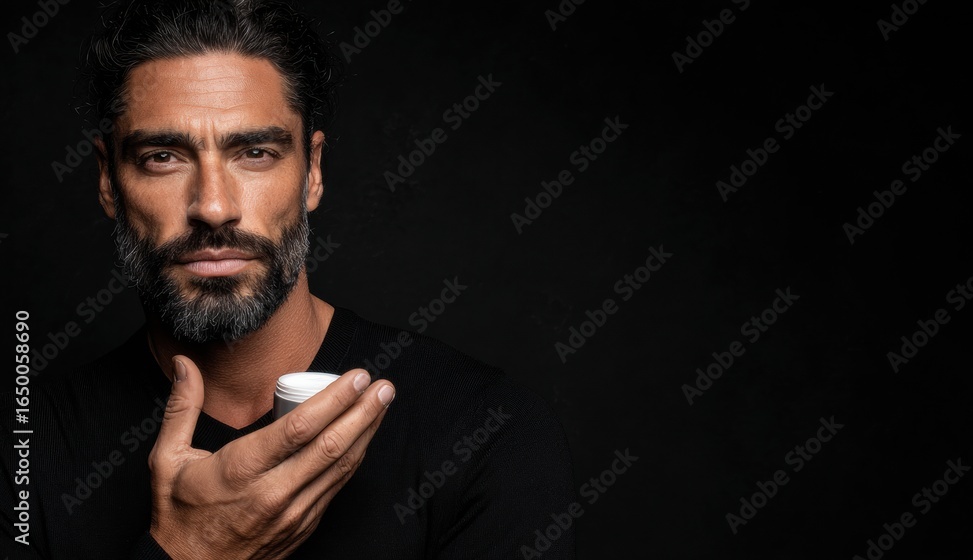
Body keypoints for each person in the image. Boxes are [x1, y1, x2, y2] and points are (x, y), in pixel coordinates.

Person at [1, 1, 575, 558]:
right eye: (162, 157)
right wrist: (192, 552)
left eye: (254, 152)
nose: (214, 207)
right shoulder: (22, 453)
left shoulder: (488, 433)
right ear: (108, 181)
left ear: (313, 171)